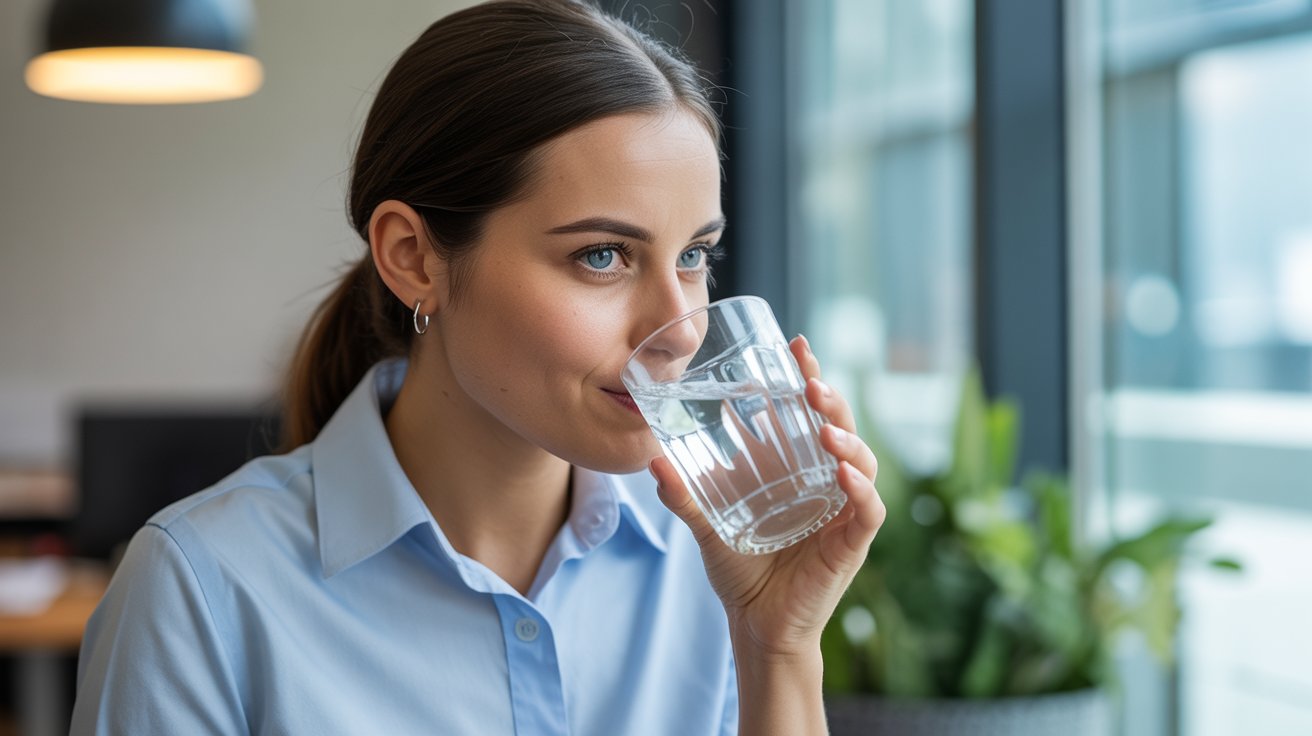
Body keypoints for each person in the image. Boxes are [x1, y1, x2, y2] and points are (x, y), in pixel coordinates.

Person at [70, 1, 885, 734]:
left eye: (697, 254)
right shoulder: (203, 589)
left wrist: (778, 647)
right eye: (602, 255)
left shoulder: (713, 562)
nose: (678, 331)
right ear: (413, 257)